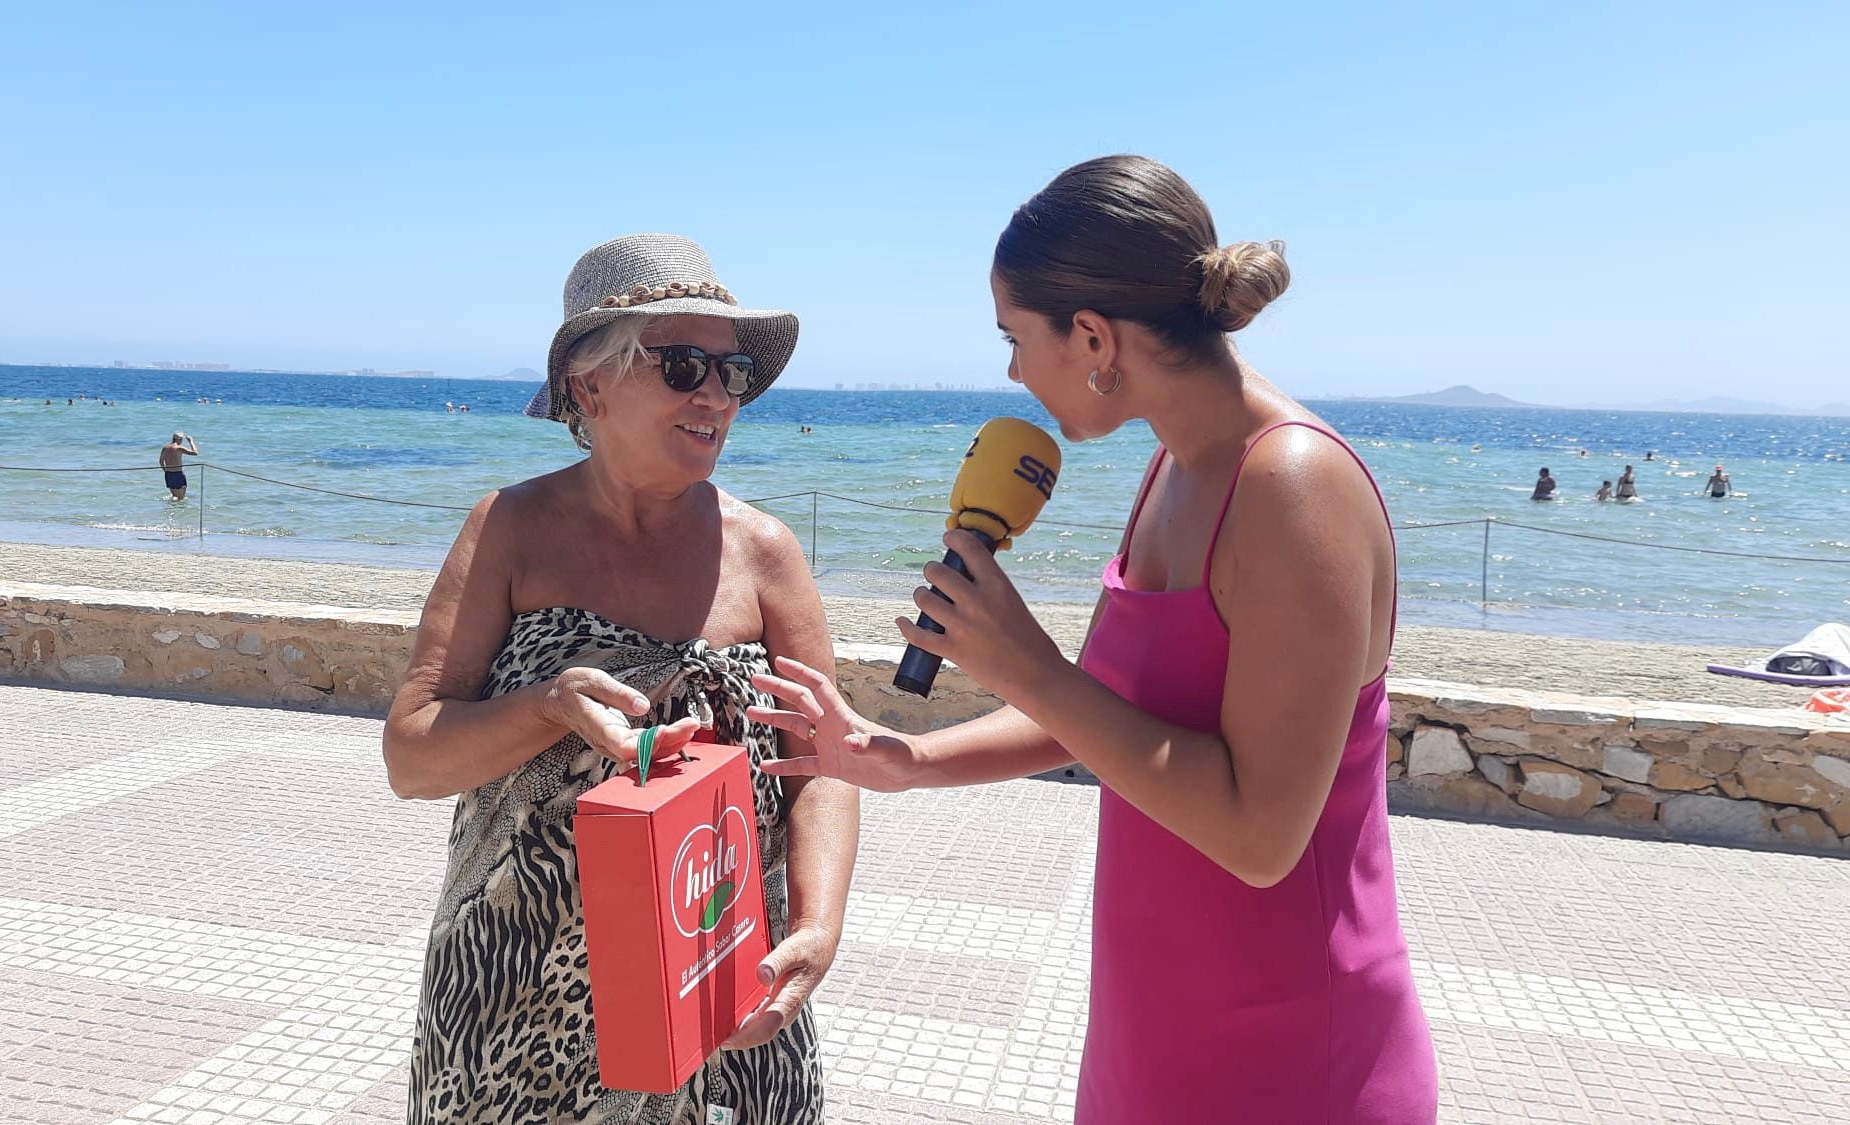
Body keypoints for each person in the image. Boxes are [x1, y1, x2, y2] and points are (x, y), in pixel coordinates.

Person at [752, 156, 1436, 1122]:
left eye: (1014, 337)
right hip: (1153, 1026)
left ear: (1092, 336)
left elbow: (1261, 836)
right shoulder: (1174, 467)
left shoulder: (1292, 485)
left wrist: (1028, 665)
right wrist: (903, 758)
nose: (1012, 372)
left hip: (1289, 1048)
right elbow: (1109, 711)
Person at [384, 234, 851, 1123]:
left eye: (733, 372)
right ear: (590, 386)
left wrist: (817, 927)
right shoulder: (509, 529)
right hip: (515, 986)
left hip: (719, 981)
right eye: (683, 366)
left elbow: (821, 765)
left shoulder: (766, 553)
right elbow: (412, 756)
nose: (717, 395)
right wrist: (546, 707)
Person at [159, 433, 199, 499]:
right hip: (177, 474)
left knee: (175, 496)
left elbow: (161, 462)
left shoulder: (165, 448)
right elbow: (195, 453)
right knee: (181, 498)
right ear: (179, 439)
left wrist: (166, 471)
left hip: (168, 474)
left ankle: (171, 505)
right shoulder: (179, 448)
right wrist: (191, 441)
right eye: (182, 439)